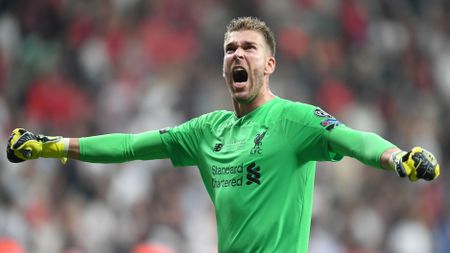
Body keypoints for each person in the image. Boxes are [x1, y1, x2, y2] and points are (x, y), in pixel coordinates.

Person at [6, 16, 440, 253]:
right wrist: (50, 145)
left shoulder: (296, 119)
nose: (238, 54)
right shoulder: (206, 130)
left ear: (269, 65)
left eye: (250, 48)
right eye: (231, 48)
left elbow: (353, 138)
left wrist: (397, 158)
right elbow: (130, 146)